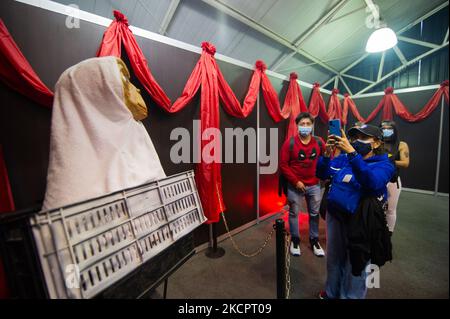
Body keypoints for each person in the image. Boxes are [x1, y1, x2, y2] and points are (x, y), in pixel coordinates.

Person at [316, 124, 394, 299]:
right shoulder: (343, 159)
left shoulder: (384, 164)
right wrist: (327, 156)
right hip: (335, 216)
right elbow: (321, 173)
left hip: (361, 221)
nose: (357, 141)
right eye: (354, 137)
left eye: (363, 137)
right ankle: (331, 292)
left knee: (356, 263)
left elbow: (372, 182)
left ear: (376, 143)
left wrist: (353, 154)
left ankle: (350, 296)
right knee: (334, 259)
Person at [280, 112, 326, 257]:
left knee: (314, 213)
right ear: (297, 126)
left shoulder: (319, 142)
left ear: (312, 126)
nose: (305, 126)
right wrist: (295, 181)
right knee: (294, 213)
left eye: (308, 124)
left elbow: (325, 159)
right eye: (302, 124)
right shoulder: (290, 143)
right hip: (295, 186)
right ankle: (295, 239)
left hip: (314, 185)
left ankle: (314, 239)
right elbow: (283, 165)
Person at [380, 120, 410, 233]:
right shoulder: (378, 143)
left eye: (389, 129)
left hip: (393, 181)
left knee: (391, 209)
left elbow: (405, 162)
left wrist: (390, 161)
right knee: (377, 207)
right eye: (383, 129)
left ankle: (389, 232)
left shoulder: (401, 145)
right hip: (378, 178)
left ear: (394, 130)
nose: (386, 131)